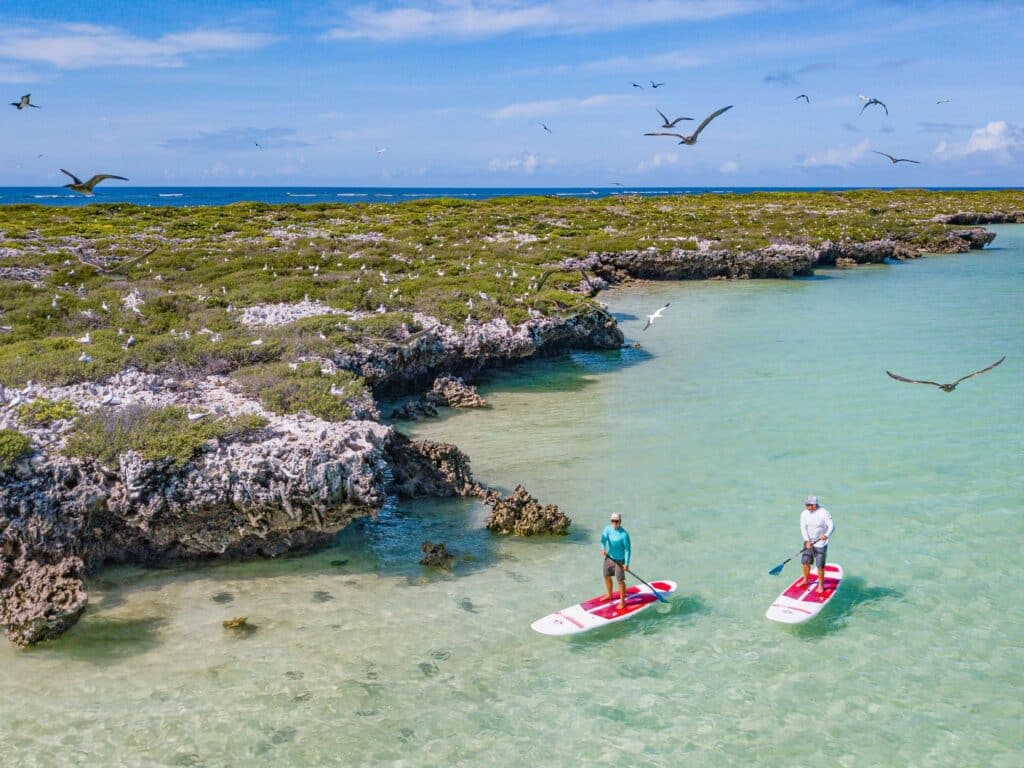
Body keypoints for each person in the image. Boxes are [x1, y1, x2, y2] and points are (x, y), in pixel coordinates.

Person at [799, 495, 835, 594]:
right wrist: (807, 541)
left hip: (821, 543)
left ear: (814, 505)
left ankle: (820, 585)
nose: (806, 507)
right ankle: (806, 579)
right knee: (805, 562)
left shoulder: (824, 513)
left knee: (820, 566)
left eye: (808, 505)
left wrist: (826, 535)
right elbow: (803, 527)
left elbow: (832, 526)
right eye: (806, 504)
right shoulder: (804, 513)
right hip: (808, 543)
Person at [601, 513, 631, 609]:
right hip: (609, 557)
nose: (614, 523)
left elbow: (627, 550)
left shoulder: (624, 534)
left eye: (616, 521)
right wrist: (602, 549)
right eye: (612, 521)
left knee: (620, 580)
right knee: (606, 576)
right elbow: (603, 540)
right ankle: (609, 595)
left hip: (620, 560)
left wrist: (626, 563)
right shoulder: (607, 529)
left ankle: (622, 602)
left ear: (620, 522)